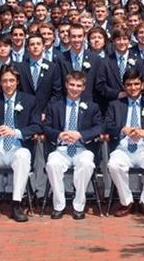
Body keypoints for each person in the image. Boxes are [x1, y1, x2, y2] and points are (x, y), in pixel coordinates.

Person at [0, 65, 41, 223]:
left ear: (17, 81)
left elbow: (37, 126)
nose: (8, 84)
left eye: (11, 80)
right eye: (4, 81)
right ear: (0, 82)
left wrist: (16, 132)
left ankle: (16, 204)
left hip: (17, 147)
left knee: (23, 156)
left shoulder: (29, 100)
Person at [105, 69, 144, 217]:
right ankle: (126, 202)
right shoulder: (115, 105)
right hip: (124, 147)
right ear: (124, 86)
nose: (133, 88)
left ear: (142, 85)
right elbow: (106, 125)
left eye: (136, 84)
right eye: (129, 84)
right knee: (114, 164)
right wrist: (122, 130)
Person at [43, 72, 103, 219]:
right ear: (66, 85)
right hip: (61, 149)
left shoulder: (92, 107)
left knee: (86, 163)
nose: (74, 89)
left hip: (82, 148)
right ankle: (59, 205)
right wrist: (59, 134)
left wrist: (81, 134)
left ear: (83, 88)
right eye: (72, 85)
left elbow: (99, 127)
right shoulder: (55, 106)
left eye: (78, 86)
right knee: (52, 164)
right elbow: (46, 127)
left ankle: (78, 206)